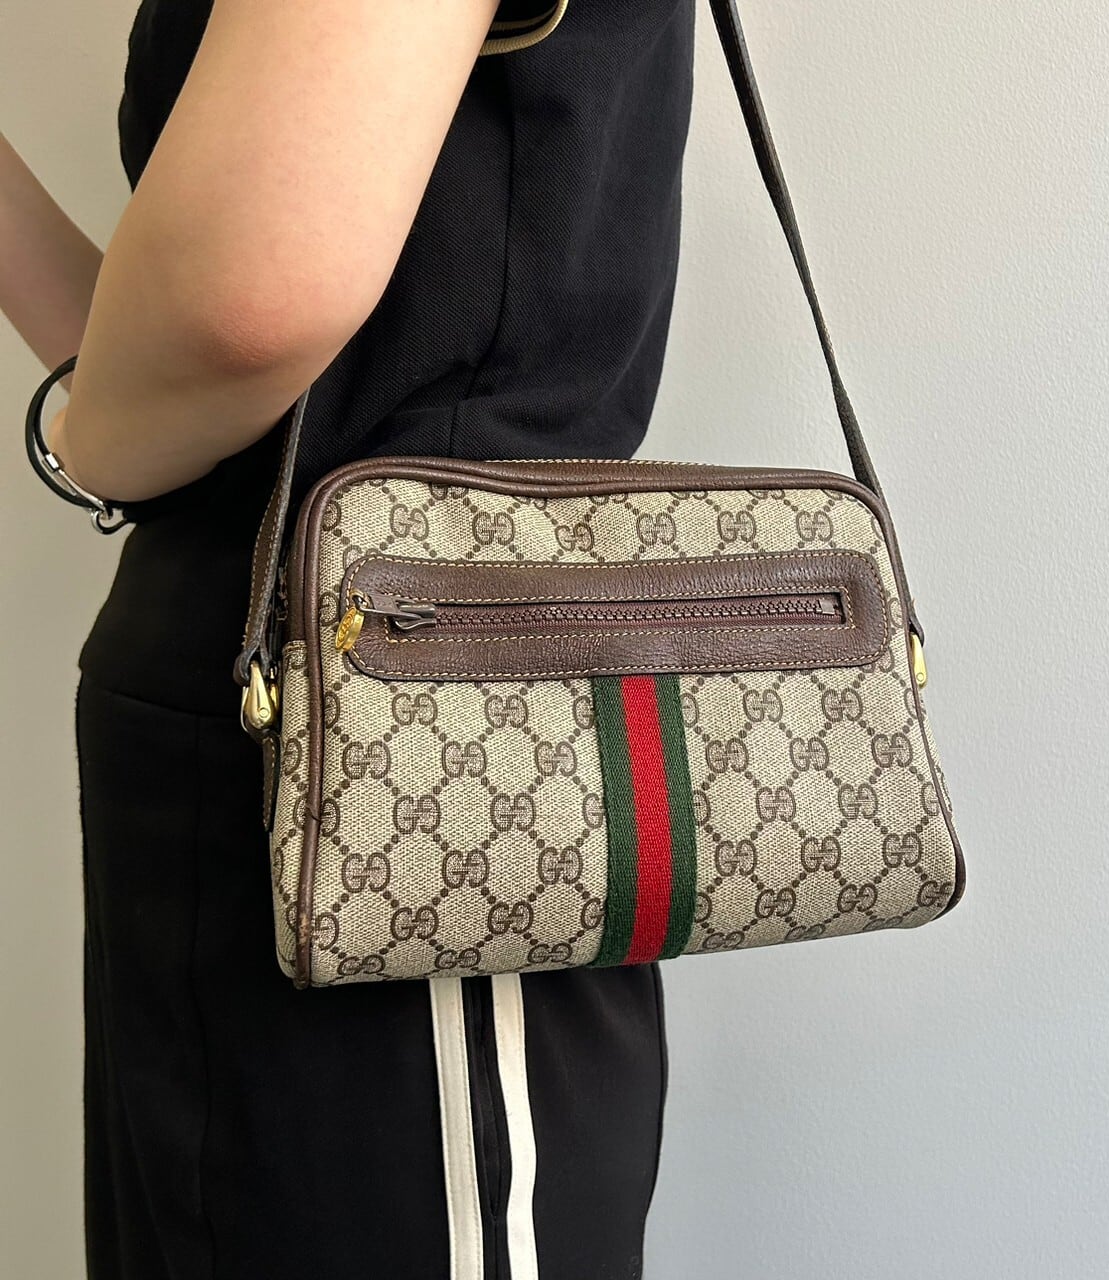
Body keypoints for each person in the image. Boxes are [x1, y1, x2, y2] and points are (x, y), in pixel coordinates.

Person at [2, 1, 695, 1275]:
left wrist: (83, 446)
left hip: (424, 771)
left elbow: (246, 311)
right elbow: (213, 375)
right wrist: (106, 428)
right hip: (271, 730)